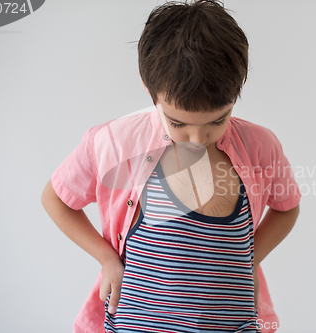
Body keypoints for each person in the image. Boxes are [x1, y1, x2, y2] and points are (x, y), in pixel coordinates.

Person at [41, 1, 301, 332]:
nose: (197, 137)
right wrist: (107, 259)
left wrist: (250, 261)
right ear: (148, 87)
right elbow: (56, 199)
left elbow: (287, 208)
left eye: (217, 121)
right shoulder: (113, 143)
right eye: (178, 123)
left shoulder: (260, 146)